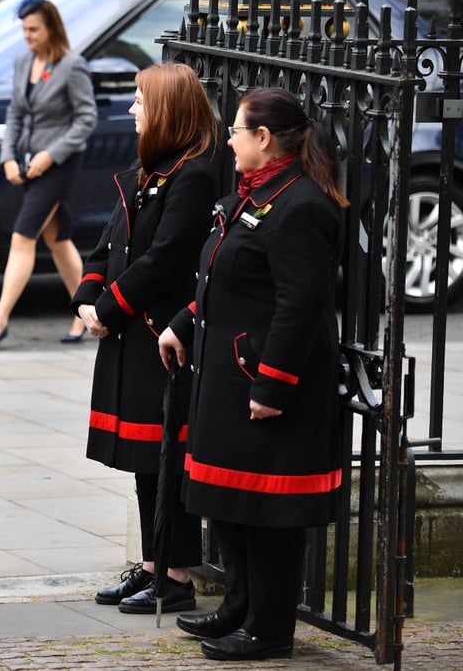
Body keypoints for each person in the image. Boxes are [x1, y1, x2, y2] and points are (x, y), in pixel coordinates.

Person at [158, 87, 348, 661]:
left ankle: (270, 628)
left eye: (238, 131)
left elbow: (299, 306)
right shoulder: (254, 194)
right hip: (226, 376)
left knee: (269, 512)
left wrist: (272, 386)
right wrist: (184, 324)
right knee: (231, 502)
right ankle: (239, 606)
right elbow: (224, 278)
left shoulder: (303, 205)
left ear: (264, 139)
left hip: (263, 384)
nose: (231, 141)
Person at [70, 62, 218, 616]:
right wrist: (87, 295)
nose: (132, 110)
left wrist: (108, 308)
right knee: (143, 457)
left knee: (166, 456)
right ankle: (154, 565)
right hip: (131, 334)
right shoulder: (147, 168)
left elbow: (166, 257)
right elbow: (110, 242)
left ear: (168, 110)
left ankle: (176, 575)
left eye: (140, 100)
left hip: (159, 333)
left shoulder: (194, 174)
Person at [0, 0, 96, 345]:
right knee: (58, 238)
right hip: (28, 163)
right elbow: (15, 113)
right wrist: (8, 156)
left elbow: (86, 120)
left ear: (51, 28)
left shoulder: (72, 65)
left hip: (59, 164)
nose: (27, 36)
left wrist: (50, 155)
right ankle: (87, 311)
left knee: (23, 238)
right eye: (24, 30)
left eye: (33, 29)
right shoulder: (24, 62)